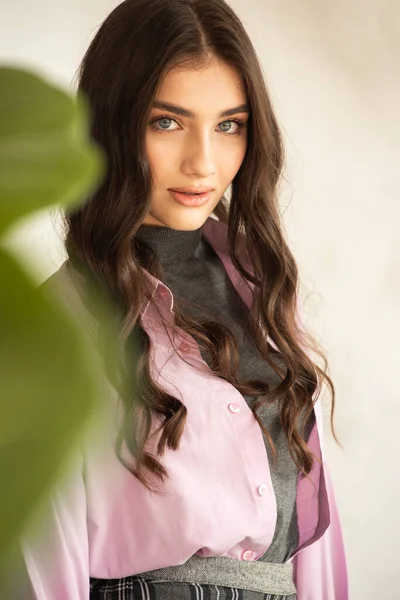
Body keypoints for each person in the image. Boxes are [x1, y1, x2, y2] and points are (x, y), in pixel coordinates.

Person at [8, 0, 348, 598]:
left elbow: (314, 554)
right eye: (167, 122)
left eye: (229, 124)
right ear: (113, 122)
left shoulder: (268, 302)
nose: (203, 162)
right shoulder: (60, 323)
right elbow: (40, 561)